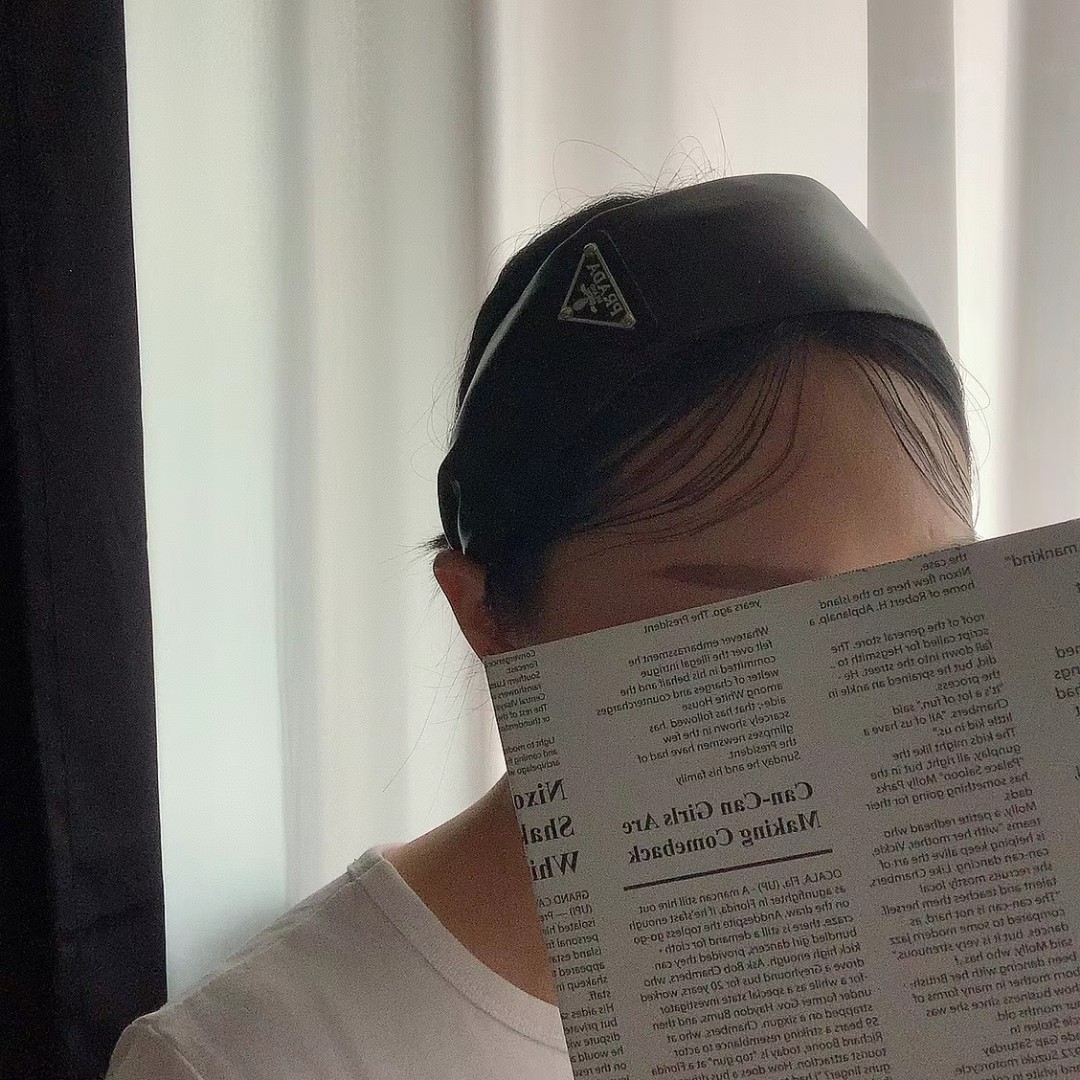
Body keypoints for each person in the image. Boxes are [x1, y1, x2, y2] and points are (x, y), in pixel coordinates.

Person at [106, 174, 975, 1079]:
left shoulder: (924, 964)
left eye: (921, 602)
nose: (852, 696)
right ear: (488, 611)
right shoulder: (250, 1058)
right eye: (746, 620)